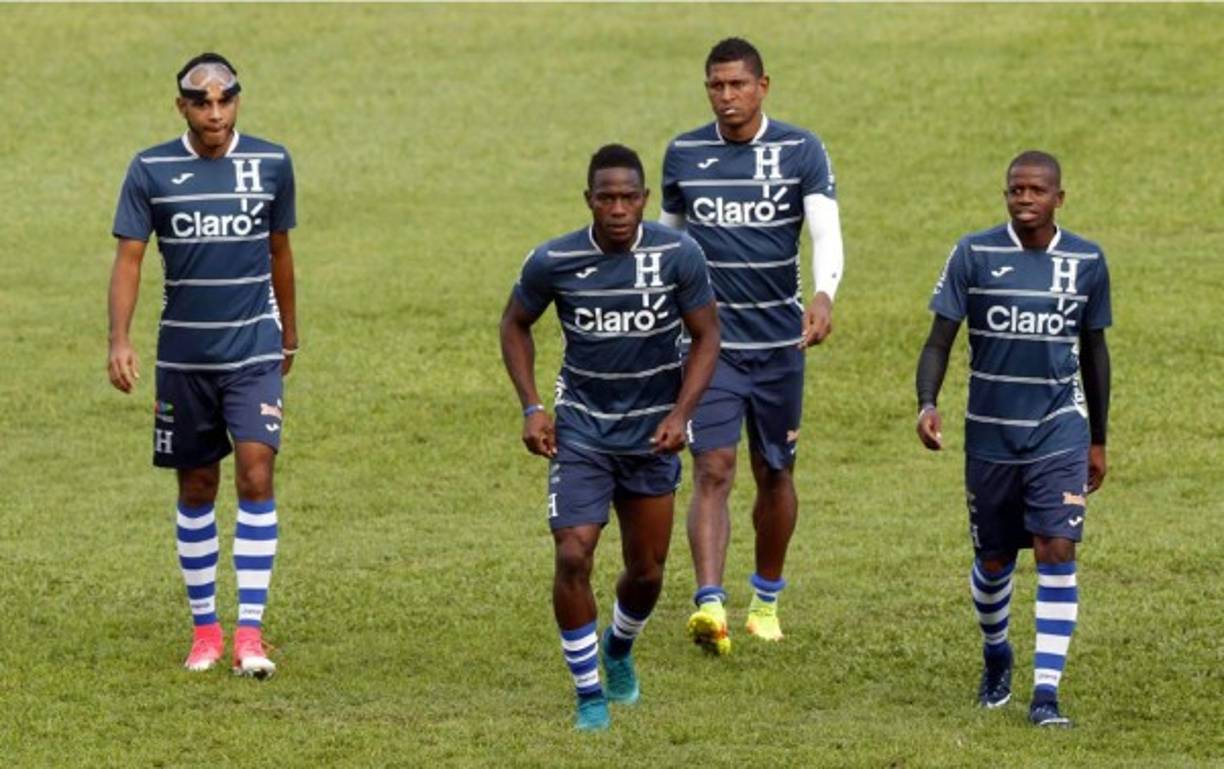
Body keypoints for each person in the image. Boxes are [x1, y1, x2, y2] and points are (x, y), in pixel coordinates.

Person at [500, 144, 719, 730]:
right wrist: (532, 407)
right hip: (582, 430)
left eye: (628, 197)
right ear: (589, 201)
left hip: (652, 435)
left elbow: (707, 337)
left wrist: (682, 413)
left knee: (646, 572)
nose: (618, 208)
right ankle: (589, 694)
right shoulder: (554, 259)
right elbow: (515, 323)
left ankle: (618, 648)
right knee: (573, 551)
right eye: (606, 198)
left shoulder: (679, 255)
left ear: (645, 200)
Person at [107, 52, 298, 679]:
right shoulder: (151, 169)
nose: (214, 113)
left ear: (238, 100)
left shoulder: (271, 163)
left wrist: (288, 334)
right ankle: (205, 631)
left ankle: (249, 632)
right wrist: (119, 339)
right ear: (182, 106)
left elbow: (280, 251)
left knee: (255, 471)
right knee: (196, 487)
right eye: (201, 102)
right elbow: (130, 259)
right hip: (185, 358)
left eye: (225, 100)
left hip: (254, 351)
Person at [660, 37, 845, 653]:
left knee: (775, 472)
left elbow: (825, 231)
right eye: (716, 85)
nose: (726, 96)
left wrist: (823, 296)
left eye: (738, 84)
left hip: (779, 344)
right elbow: (669, 246)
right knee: (713, 468)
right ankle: (709, 605)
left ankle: (765, 598)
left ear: (763, 86)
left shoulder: (800, 150)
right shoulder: (684, 154)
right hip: (712, 348)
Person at [915, 151, 1111, 727]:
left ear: (1058, 198)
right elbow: (937, 342)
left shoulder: (1086, 261)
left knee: (1056, 547)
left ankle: (1045, 693)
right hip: (991, 434)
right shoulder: (973, 253)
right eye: (1014, 190)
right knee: (994, 559)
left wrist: (1098, 439)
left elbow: (1094, 353)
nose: (1024, 199)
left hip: (1059, 428)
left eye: (1035, 190)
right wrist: (928, 402)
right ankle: (996, 652)